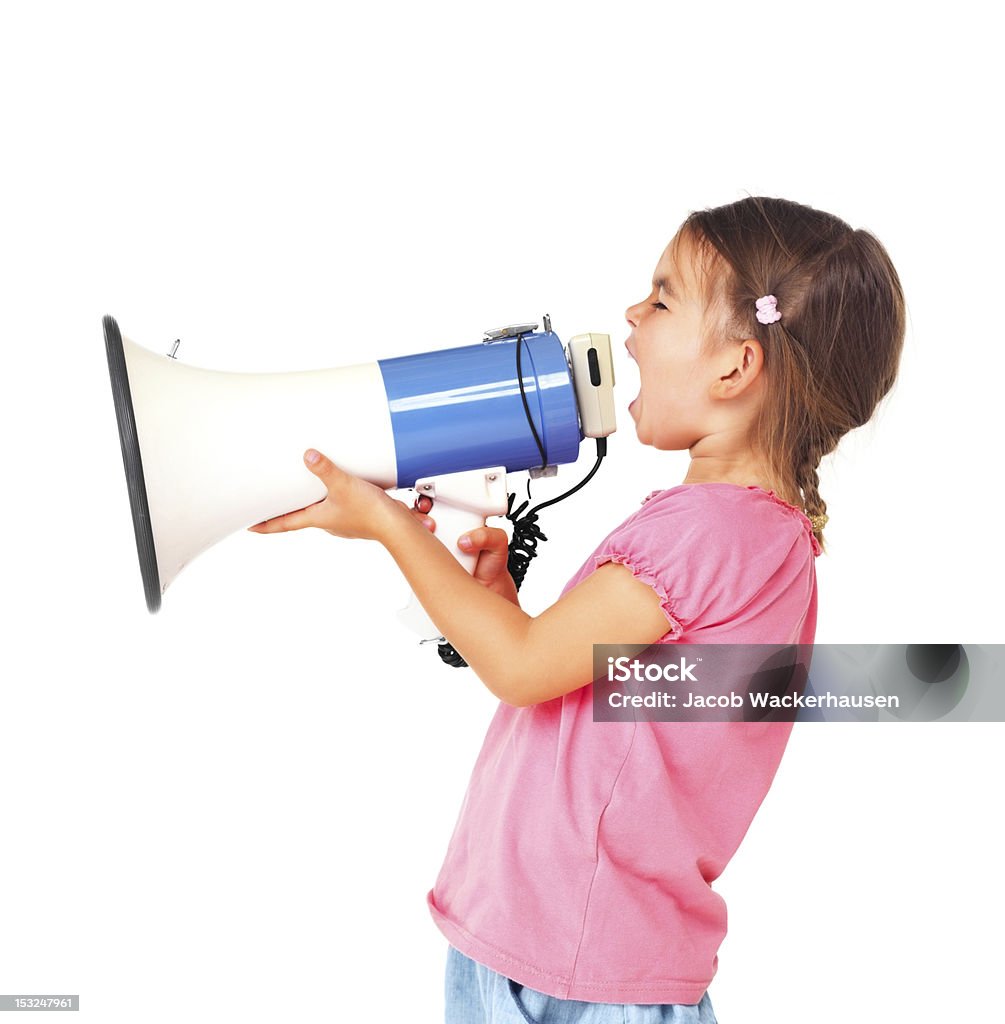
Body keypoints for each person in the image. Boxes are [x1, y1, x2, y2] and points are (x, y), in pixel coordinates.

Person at [249, 196, 906, 1022]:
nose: (631, 314)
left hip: (576, 971)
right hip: (551, 948)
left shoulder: (707, 530)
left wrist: (384, 521)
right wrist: (499, 603)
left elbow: (521, 669)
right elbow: (566, 683)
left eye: (662, 299)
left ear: (736, 367)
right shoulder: (748, 535)